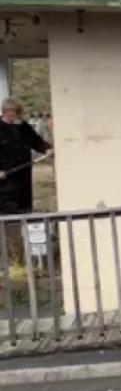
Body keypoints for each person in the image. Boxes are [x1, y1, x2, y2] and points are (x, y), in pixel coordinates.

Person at [0, 97, 52, 266]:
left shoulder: (22, 127)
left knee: (25, 214)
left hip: (23, 180)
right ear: (6, 112)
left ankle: (27, 258)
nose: (18, 116)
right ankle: (15, 260)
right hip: (5, 185)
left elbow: (36, 141)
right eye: (15, 113)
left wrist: (46, 148)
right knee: (10, 219)